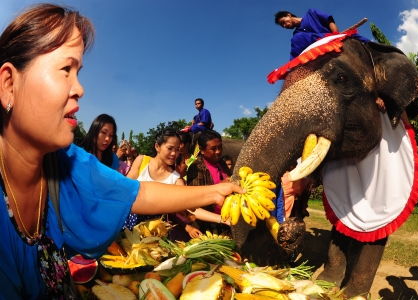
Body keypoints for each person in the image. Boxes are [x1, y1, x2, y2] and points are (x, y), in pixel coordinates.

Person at [0, 4, 242, 298]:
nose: (79, 89)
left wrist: (216, 191)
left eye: (78, 72)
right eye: (66, 69)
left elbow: (135, 192)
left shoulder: (67, 163)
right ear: (8, 84)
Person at [123, 128, 202, 243]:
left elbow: (191, 206)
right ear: (157, 147)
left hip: (155, 235)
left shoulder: (175, 179)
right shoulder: (142, 161)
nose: (174, 153)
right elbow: (124, 188)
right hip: (128, 225)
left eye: (177, 149)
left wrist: (221, 219)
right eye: (170, 148)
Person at [274, 9, 370, 60]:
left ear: (289, 15)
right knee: (297, 39)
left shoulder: (311, 13)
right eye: (282, 25)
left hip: (332, 39)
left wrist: (335, 35)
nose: (284, 25)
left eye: (283, 21)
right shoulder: (297, 35)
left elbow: (329, 20)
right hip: (320, 50)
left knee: (361, 41)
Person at [187, 130, 232, 233]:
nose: (218, 151)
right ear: (202, 150)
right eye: (213, 149)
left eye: (219, 147)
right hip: (207, 225)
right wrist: (220, 186)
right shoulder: (196, 167)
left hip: (227, 221)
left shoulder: (222, 164)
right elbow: (195, 199)